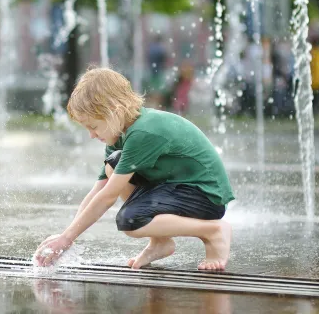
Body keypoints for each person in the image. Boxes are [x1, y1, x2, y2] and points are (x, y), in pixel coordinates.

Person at [33, 67, 234, 271]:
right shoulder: (118, 135)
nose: (91, 135)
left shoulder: (142, 132)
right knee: (113, 165)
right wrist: (65, 236)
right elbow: (99, 190)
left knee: (131, 220)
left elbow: (108, 197)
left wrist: (67, 239)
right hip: (179, 187)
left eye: (93, 126)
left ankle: (213, 231)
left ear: (114, 111)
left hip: (207, 196)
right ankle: (160, 242)